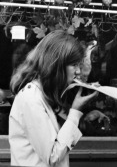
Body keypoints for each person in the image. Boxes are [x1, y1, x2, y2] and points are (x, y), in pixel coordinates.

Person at [9, 30, 98, 167]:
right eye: (74, 65)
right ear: (56, 65)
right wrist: (74, 113)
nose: (78, 71)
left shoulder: (44, 94)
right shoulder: (31, 99)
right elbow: (53, 157)